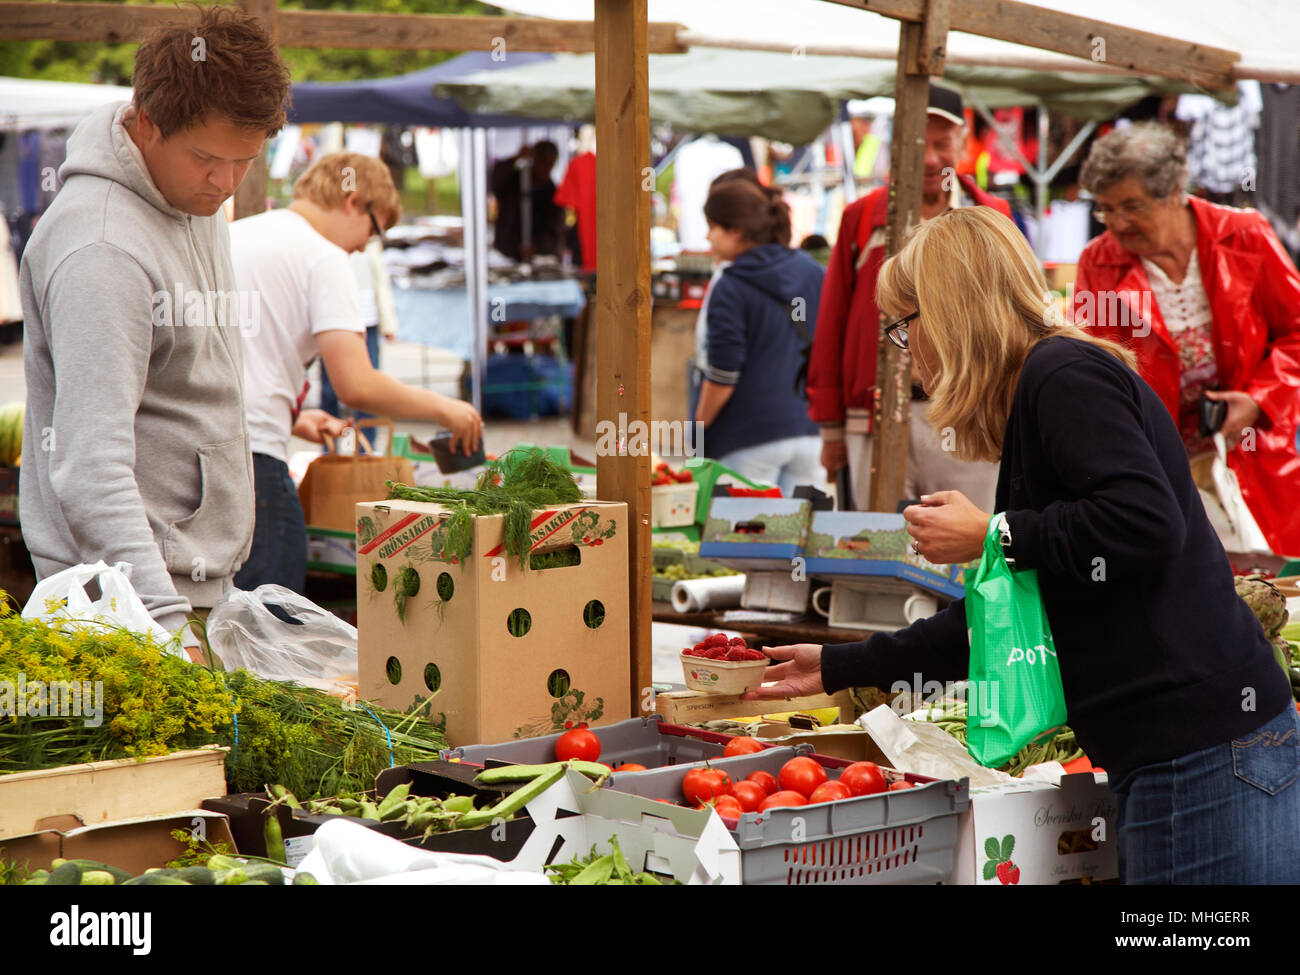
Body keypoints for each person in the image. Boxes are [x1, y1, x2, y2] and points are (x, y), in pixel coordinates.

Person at [747, 206, 1300, 884]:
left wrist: (993, 531)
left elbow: (1146, 521)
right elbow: (1008, 611)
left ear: (948, 311)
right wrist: (840, 665)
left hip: (1202, 753)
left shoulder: (1063, 376)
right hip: (1180, 751)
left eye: (902, 325)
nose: (905, 347)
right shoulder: (1045, 386)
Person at [18, 7, 290, 651]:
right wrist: (167, 626)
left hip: (190, 591)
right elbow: (89, 467)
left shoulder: (192, 195)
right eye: (207, 159)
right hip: (125, 613)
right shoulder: (102, 248)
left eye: (243, 161)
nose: (225, 183)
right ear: (146, 123)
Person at [229, 152, 484, 593]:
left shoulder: (237, 234)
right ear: (352, 200)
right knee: (271, 624)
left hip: (205, 451)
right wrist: (446, 409)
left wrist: (291, 417)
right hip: (254, 464)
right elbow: (356, 383)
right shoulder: (324, 257)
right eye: (375, 228)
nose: (367, 245)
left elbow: (241, 353)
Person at [1073, 122, 1300, 555]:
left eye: (1132, 206)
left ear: (1175, 191)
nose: (1117, 223)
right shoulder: (1097, 262)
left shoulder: (1245, 234)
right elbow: (1090, 370)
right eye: (1105, 209)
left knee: (1271, 583)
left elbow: (1296, 329)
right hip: (1154, 465)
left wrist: (1258, 399)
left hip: (1252, 455)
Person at [808, 84, 1010, 511]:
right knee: (879, 549)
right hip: (876, 418)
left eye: (942, 144)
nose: (932, 158)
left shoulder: (992, 217)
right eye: (919, 144)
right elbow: (832, 322)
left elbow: (1015, 317)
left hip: (967, 412)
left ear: (963, 143)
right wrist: (830, 429)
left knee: (969, 550)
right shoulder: (863, 218)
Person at [694, 179, 824, 495]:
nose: (707, 237)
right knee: (801, 542)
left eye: (713, 227)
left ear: (736, 231)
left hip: (747, 438)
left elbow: (724, 375)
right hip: (810, 435)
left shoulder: (731, 286)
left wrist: (697, 430)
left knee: (744, 543)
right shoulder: (813, 272)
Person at [490, 141, 566, 262]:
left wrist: (536, 246)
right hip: (508, 251)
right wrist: (515, 158)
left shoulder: (553, 193)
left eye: (551, 164)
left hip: (540, 256)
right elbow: (496, 178)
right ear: (534, 160)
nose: (547, 168)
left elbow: (555, 228)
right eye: (543, 162)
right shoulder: (515, 182)